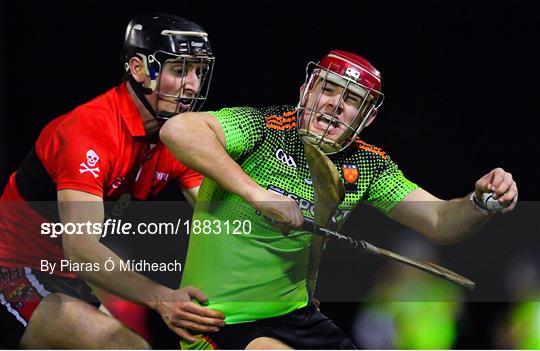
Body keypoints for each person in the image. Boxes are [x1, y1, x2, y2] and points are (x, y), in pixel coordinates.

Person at [160, 49, 519, 349]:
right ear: (306, 91)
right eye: (328, 90)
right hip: (222, 319)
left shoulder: (368, 165)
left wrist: (480, 202)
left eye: (350, 100)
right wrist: (256, 193)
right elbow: (178, 130)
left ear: (368, 116)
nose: (334, 105)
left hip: (296, 316)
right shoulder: (263, 128)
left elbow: (441, 222)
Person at [0, 13, 224, 348]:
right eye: (179, 70)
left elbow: (223, 221)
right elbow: (82, 248)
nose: (192, 84)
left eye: (198, 71)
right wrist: (163, 299)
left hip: (71, 278)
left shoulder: (176, 137)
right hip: (15, 270)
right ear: (137, 69)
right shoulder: (91, 130)